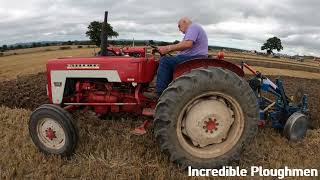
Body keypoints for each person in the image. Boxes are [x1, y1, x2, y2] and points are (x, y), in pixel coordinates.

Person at [144, 17, 208, 100]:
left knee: (165, 61)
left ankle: (159, 93)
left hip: (194, 59)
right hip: (193, 57)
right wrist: (164, 49)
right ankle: (167, 89)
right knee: (167, 60)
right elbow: (183, 47)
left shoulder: (193, 27)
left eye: (179, 26)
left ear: (185, 22)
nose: (179, 29)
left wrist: (168, 48)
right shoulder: (193, 30)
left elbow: (187, 44)